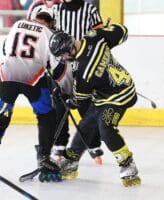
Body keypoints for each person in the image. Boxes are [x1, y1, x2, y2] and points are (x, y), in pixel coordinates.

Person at [48, 23, 141, 187]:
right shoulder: (94, 37)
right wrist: (103, 33)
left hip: (120, 95)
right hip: (109, 92)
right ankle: (71, 161)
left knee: (105, 127)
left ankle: (127, 164)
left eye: (63, 55)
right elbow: (122, 31)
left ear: (69, 50)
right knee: (86, 125)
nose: (63, 59)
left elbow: (79, 100)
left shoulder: (83, 71)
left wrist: (66, 97)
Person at [0, 8, 63, 183]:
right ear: (50, 22)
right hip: (33, 80)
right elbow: (56, 67)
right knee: (46, 115)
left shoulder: (17, 24)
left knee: (0, 116)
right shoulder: (48, 33)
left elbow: (5, 48)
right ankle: (44, 157)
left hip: (7, 76)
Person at [51, 0, 105, 164]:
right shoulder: (56, 9)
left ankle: (93, 144)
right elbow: (50, 36)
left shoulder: (89, 9)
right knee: (59, 104)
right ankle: (59, 145)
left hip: (83, 63)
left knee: (85, 105)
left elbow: (99, 36)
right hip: (62, 64)